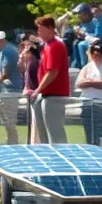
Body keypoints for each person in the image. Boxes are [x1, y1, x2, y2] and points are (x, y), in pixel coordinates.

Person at [27, 16, 70, 144]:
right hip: (45, 95)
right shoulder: (47, 46)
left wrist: (38, 89)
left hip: (54, 95)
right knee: (44, 136)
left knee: (55, 135)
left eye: (41, 28)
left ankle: (61, 161)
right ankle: (49, 160)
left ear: (50, 28)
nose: (38, 32)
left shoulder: (55, 46)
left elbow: (52, 72)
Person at [75, 43, 102, 146]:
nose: (96, 57)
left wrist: (88, 82)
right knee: (89, 134)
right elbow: (79, 83)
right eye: (94, 54)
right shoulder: (87, 67)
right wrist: (93, 82)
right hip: (87, 103)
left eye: (99, 55)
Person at [0, 31, 22, 144]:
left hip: (10, 91)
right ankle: (11, 142)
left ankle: (13, 144)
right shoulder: (6, 50)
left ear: (2, 41)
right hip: (5, 90)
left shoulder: (8, 51)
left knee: (9, 121)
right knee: (6, 121)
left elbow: (6, 72)